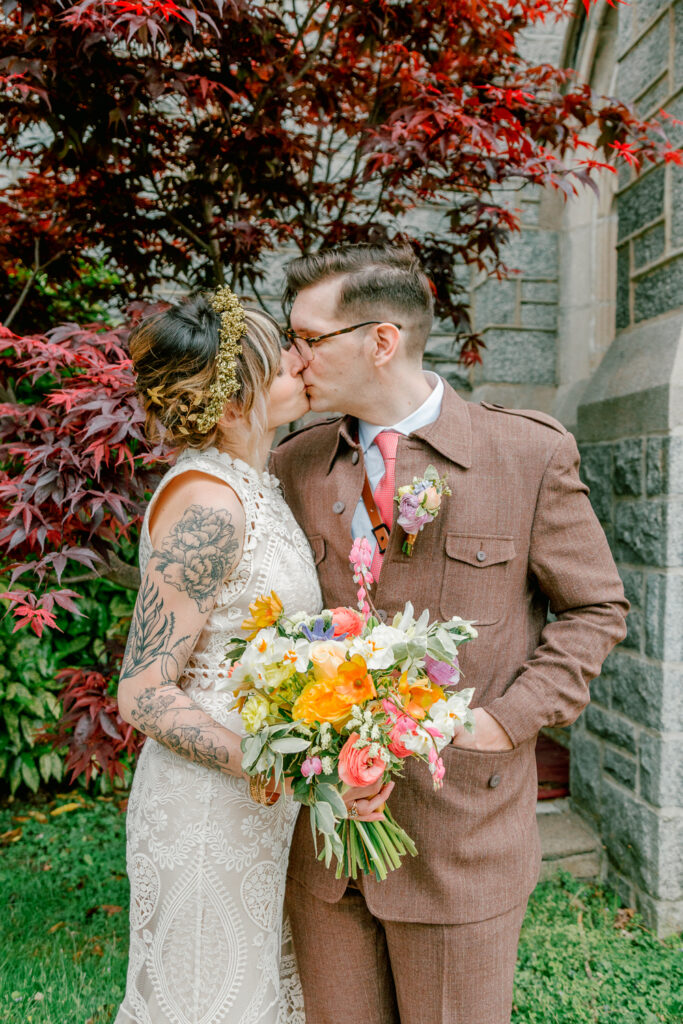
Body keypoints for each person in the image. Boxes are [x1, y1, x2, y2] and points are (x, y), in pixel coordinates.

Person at [270, 243, 629, 1024]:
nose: (292, 359)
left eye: (307, 338)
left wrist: (506, 722)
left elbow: (595, 609)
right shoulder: (295, 464)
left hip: (463, 837)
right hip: (329, 844)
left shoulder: (526, 453)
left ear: (380, 340)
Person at [114, 288, 390, 1024]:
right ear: (234, 402)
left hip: (256, 801)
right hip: (207, 804)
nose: (302, 364)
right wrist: (269, 763)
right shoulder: (207, 505)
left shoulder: (254, 485)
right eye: (281, 361)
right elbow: (141, 691)